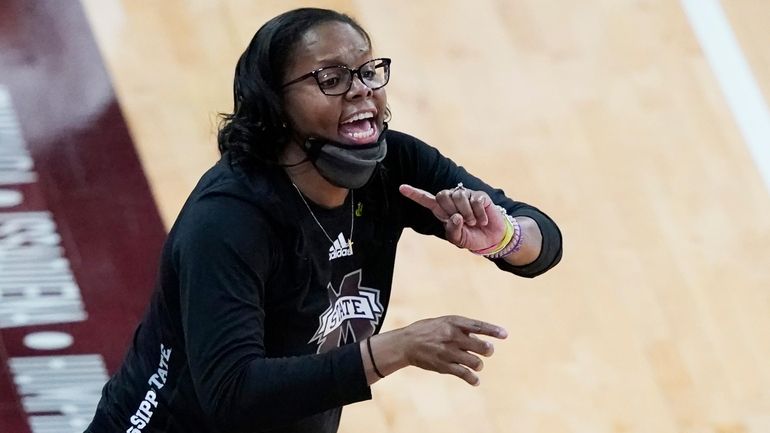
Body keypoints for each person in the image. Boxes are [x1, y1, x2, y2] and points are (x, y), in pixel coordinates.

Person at [85, 7, 562, 433]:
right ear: (276, 103)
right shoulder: (228, 220)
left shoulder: (393, 167)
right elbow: (232, 393)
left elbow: (543, 242)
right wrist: (397, 349)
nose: (360, 91)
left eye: (368, 72)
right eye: (331, 79)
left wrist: (502, 236)